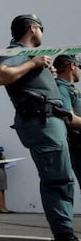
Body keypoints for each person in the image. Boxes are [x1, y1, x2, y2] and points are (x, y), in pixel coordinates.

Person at [0, 14, 81, 241]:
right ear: (33, 28)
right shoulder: (17, 50)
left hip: (50, 121)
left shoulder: (28, 54)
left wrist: (43, 70)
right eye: (41, 28)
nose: (43, 33)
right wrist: (33, 64)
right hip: (42, 121)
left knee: (61, 180)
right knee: (58, 180)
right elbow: (0, 76)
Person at [54, 54, 81, 188]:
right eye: (79, 67)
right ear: (72, 66)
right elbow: (69, 119)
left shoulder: (69, 88)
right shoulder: (62, 88)